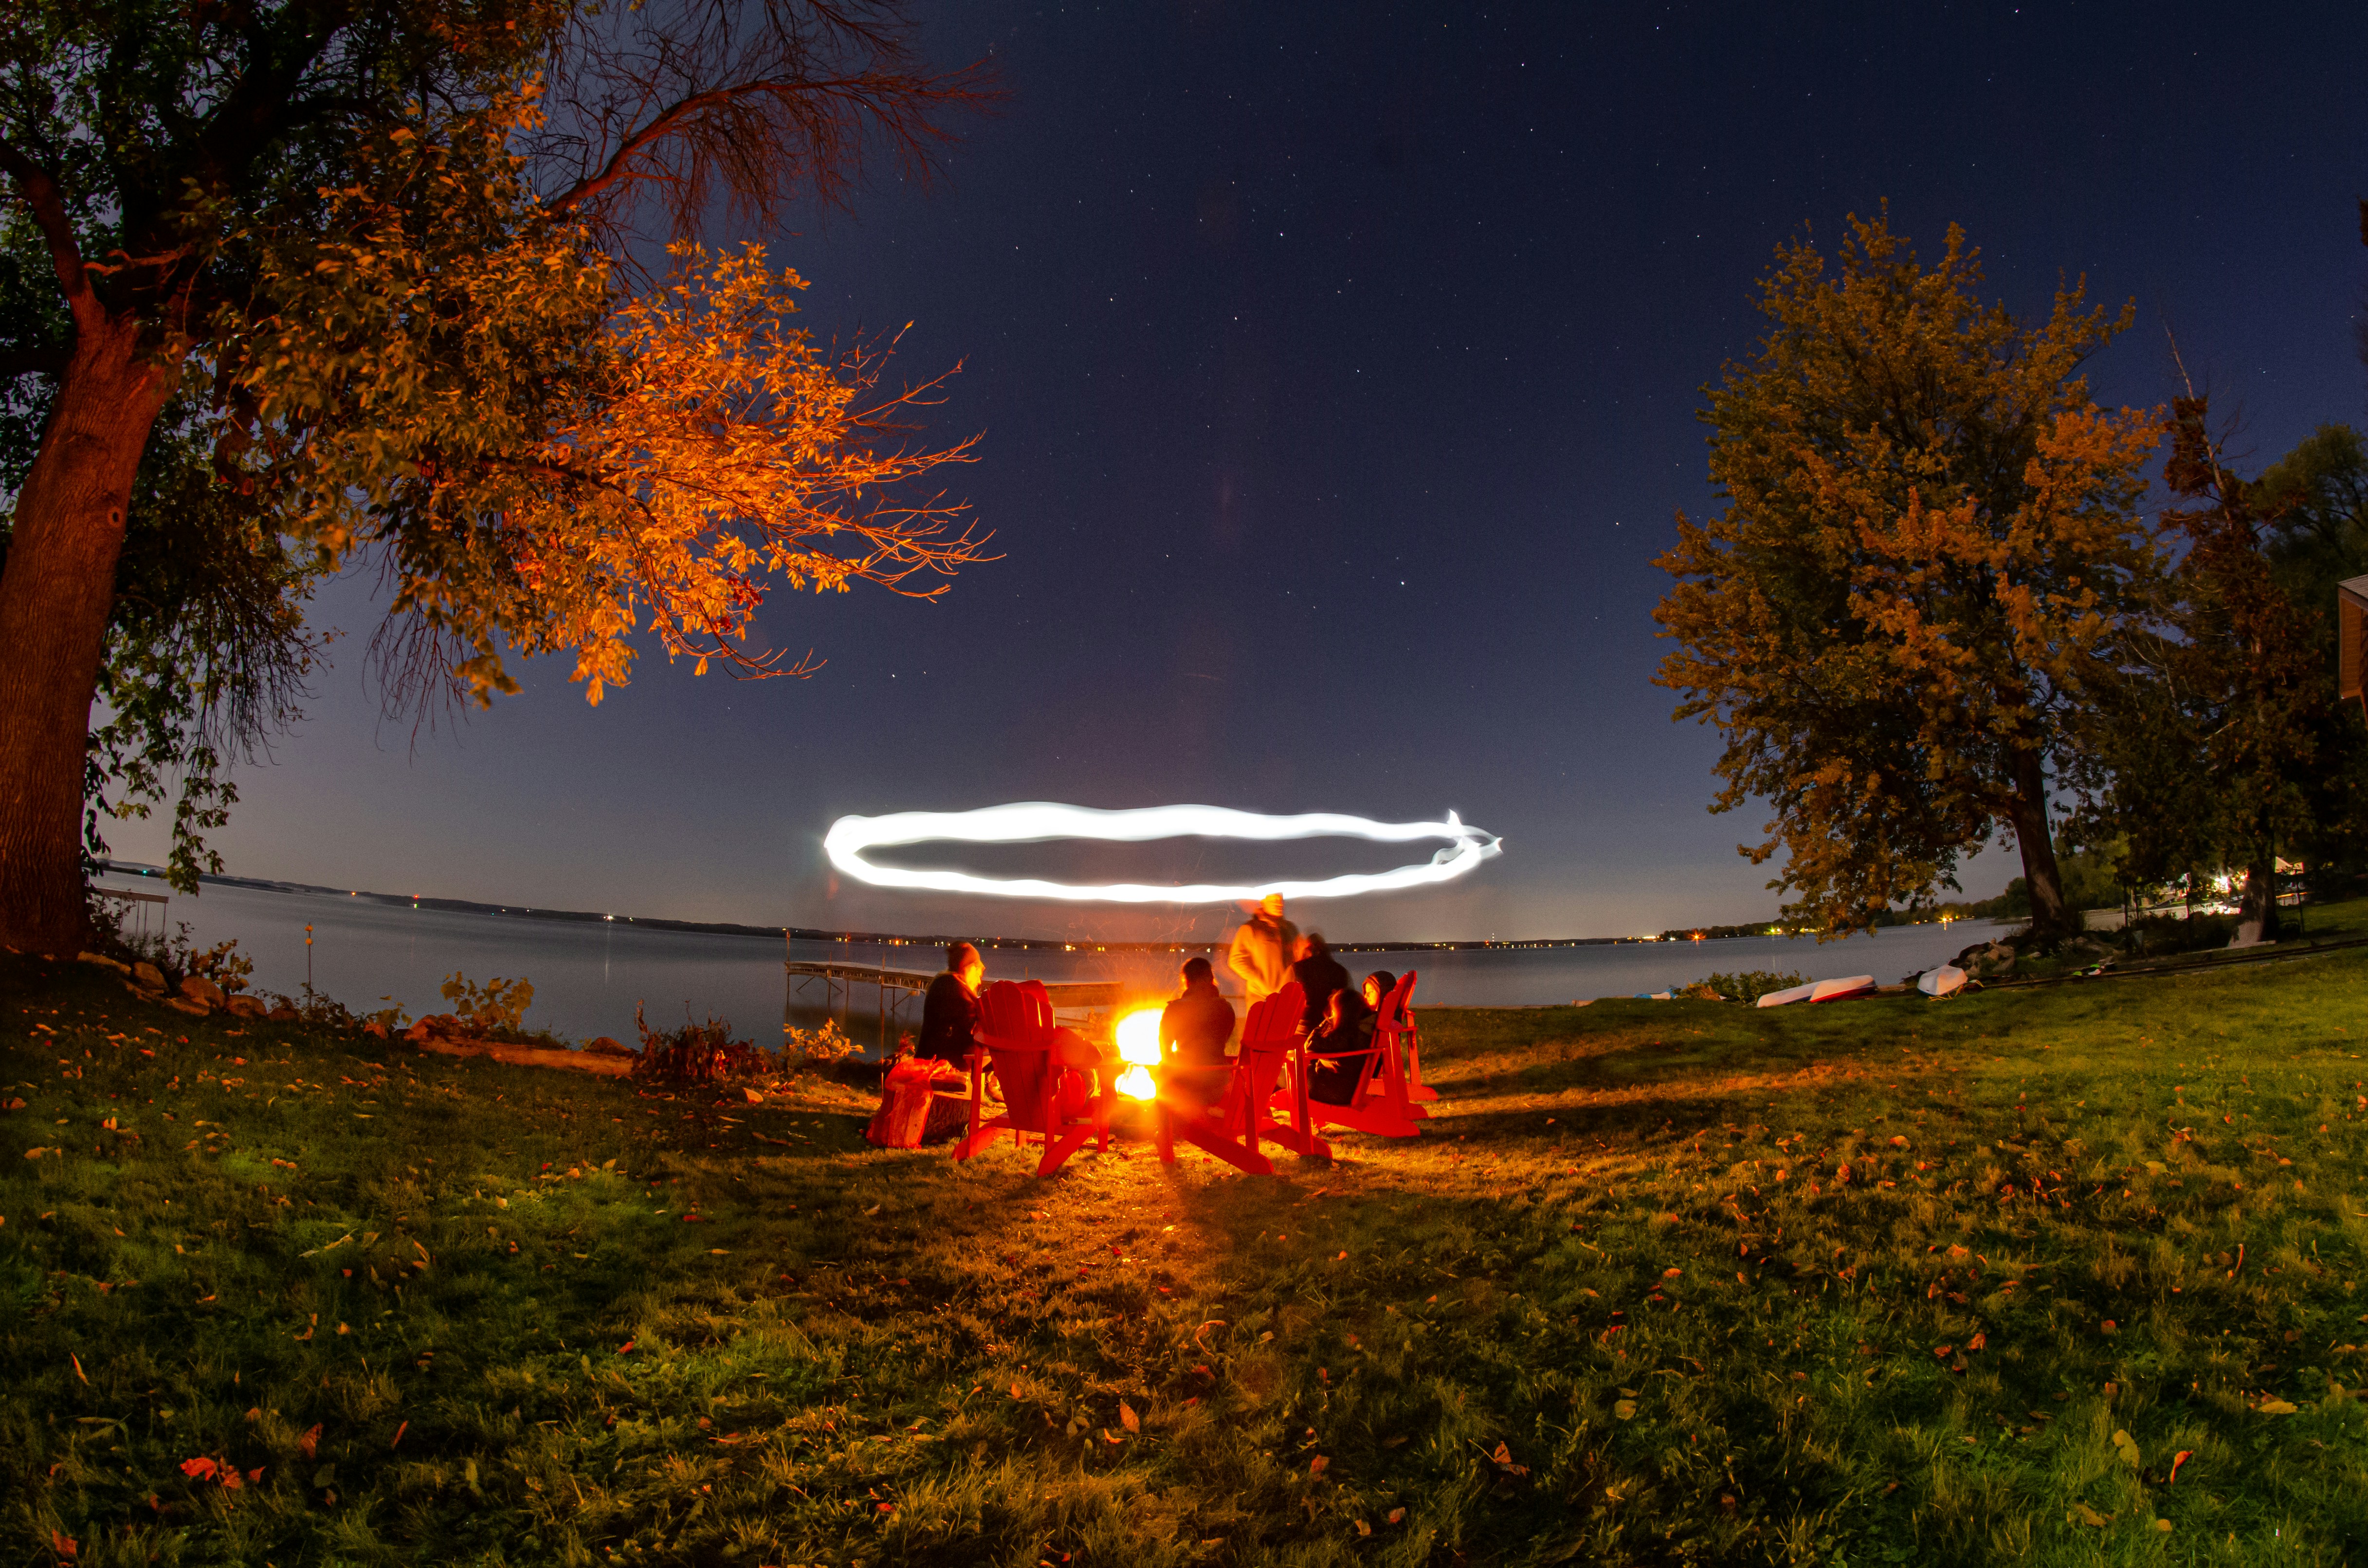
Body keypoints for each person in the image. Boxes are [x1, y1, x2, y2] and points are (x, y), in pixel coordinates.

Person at [917, 941, 986, 1064]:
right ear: (968, 968)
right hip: (938, 1063)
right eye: (977, 974)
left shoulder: (944, 981)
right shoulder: (952, 987)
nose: (979, 981)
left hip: (935, 1057)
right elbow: (973, 1019)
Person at [1160, 956, 1237, 1067]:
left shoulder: (1174, 1009)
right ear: (1211, 980)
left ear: (1187, 981)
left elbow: (1165, 1048)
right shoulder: (1226, 1008)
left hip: (1185, 1075)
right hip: (1218, 1074)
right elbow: (1224, 1039)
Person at [1307, 982, 1376, 1106]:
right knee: (1308, 1069)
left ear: (1343, 1014)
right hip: (1349, 1087)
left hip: (1338, 1092)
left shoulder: (1347, 1037)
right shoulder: (1364, 1029)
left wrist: (1323, 1024)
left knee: (1295, 1075)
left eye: (1334, 1011)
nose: (1332, 1015)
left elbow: (1310, 1047)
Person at [1225, 894, 1300, 1005]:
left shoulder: (1290, 929)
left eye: (1280, 899)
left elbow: (1298, 959)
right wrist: (1259, 979)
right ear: (1263, 902)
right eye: (1274, 899)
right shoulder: (1251, 929)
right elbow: (1235, 960)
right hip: (1261, 999)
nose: (1279, 903)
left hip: (1288, 998)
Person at [1290, 932, 1350, 1035]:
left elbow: (1285, 1004)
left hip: (1304, 1030)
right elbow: (1348, 1001)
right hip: (1333, 1029)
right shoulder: (1340, 970)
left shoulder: (1296, 969)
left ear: (1307, 948)